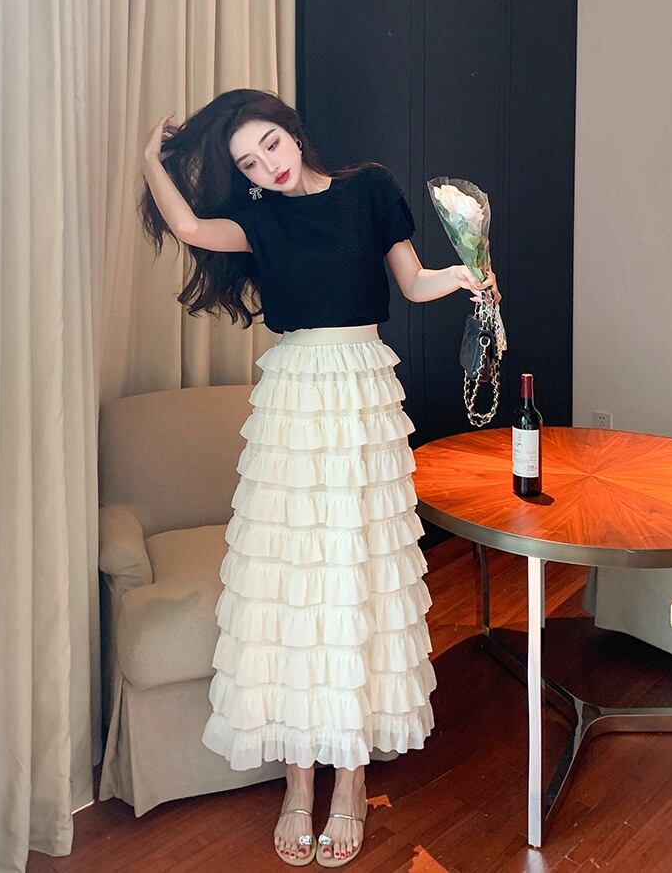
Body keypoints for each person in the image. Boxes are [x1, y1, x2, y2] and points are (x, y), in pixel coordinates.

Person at [138, 89, 501, 868]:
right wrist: (149, 161)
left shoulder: (370, 189)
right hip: (295, 396)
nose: (266, 165)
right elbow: (189, 227)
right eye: (247, 162)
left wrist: (464, 277)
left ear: (292, 132)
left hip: (365, 389)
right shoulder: (258, 220)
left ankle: (350, 783)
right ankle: (299, 784)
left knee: (354, 577)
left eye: (270, 144)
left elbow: (412, 283)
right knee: (295, 581)